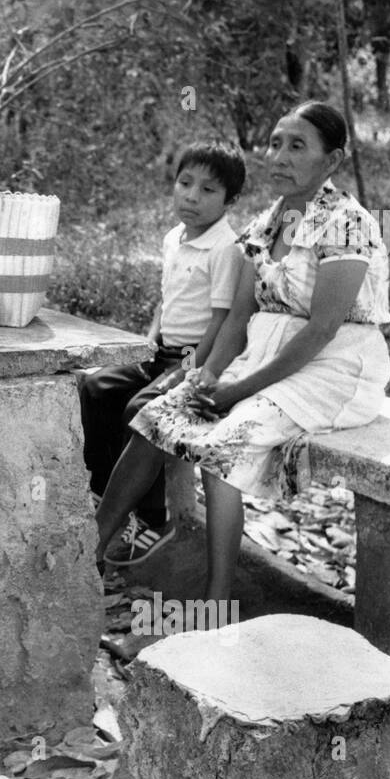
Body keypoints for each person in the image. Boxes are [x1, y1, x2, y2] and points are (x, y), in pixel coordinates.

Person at [94, 101, 390, 608]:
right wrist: (205, 377)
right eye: (275, 142)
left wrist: (236, 391)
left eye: (297, 145)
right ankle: (89, 552)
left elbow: (320, 331)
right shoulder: (265, 226)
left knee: (220, 444)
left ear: (332, 161)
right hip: (258, 359)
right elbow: (237, 318)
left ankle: (217, 599)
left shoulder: (348, 223)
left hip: (332, 371)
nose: (278, 155)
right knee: (156, 417)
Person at [79, 140, 246, 568]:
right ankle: (102, 489)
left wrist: (190, 369)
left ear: (230, 200)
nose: (191, 196)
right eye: (184, 183)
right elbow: (166, 300)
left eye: (208, 190)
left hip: (192, 358)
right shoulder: (174, 237)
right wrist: (148, 340)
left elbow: (222, 322)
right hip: (161, 351)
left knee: (143, 408)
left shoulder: (226, 249)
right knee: (96, 386)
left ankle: (153, 519)